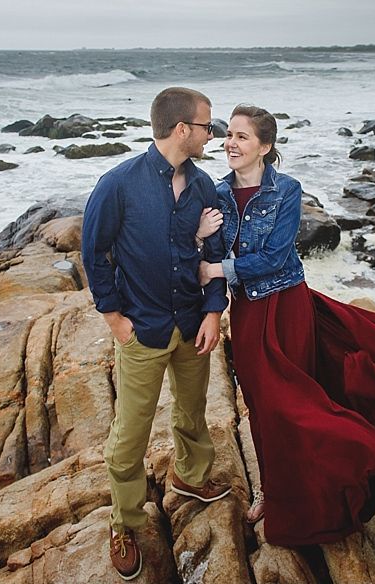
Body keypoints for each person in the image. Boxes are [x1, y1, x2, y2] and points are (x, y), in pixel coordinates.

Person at [196, 104, 375, 546]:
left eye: (242, 136)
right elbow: (207, 248)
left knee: (293, 402)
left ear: (265, 147)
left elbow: (273, 257)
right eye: (228, 134)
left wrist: (219, 268)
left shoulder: (286, 190)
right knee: (261, 406)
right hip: (248, 312)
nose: (230, 142)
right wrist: (199, 238)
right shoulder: (215, 194)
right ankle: (273, 490)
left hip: (288, 307)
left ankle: (356, 455)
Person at [82, 87, 233, 580]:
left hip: (193, 325)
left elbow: (214, 257)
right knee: (130, 434)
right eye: (209, 126)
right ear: (182, 129)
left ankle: (189, 479)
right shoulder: (118, 184)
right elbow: (95, 254)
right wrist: (114, 318)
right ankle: (124, 521)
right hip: (142, 330)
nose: (215, 135)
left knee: (192, 413)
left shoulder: (204, 186)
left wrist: (213, 312)